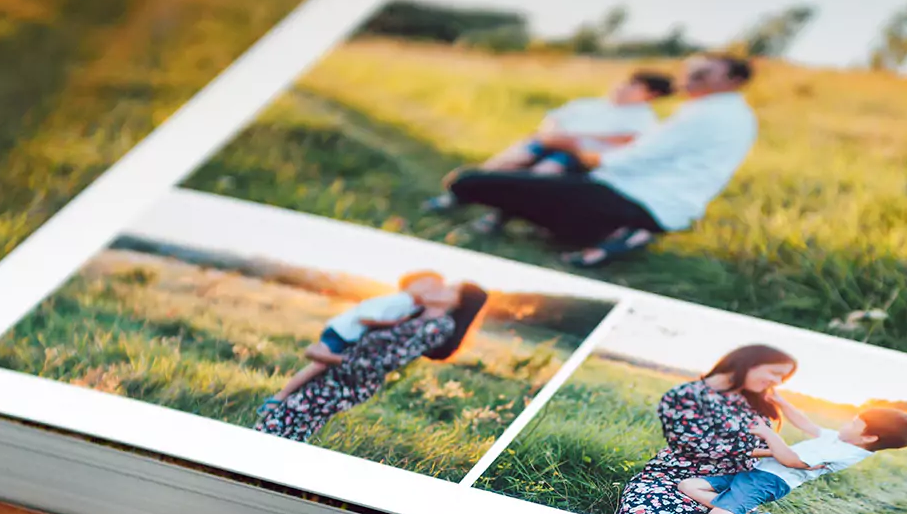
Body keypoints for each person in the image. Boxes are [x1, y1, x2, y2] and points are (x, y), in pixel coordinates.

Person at [443, 54, 757, 265]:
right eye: (690, 70)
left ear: (732, 80)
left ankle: (622, 229)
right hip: (649, 199)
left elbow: (630, 158)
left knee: (470, 181)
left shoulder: (705, 115)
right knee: (553, 217)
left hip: (635, 196)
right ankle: (612, 232)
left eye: (702, 74)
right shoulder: (728, 113)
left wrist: (576, 150)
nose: (689, 77)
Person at [611, 343, 807, 514]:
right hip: (674, 474)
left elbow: (763, 444)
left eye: (781, 379)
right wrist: (776, 452)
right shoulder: (687, 395)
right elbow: (697, 445)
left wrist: (780, 452)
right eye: (775, 373)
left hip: (727, 482)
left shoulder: (758, 402)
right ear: (750, 363)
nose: (776, 382)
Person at [255, 282, 489, 445]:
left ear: (458, 301)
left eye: (450, 289)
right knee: (285, 417)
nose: (441, 288)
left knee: (289, 422)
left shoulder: (439, 327)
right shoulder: (416, 313)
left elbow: (390, 360)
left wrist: (332, 358)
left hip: (351, 381)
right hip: (339, 371)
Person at [679, 406, 907, 514]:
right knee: (688, 485)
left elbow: (791, 461)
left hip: (770, 480)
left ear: (869, 437)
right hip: (755, 472)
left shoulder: (845, 451)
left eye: (855, 423)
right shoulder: (838, 439)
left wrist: (768, 434)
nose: (847, 423)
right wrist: (779, 400)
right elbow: (805, 423)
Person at [425, 72, 673, 214]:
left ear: (650, 95)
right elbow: (552, 122)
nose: (622, 88)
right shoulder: (589, 104)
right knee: (512, 159)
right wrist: (553, 135)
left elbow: (618, 144)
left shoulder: (643, 121)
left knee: (541, 175)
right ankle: (458, 196)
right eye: (624, 82)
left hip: (577, 158)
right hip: (549, 143)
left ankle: (501, 215)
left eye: (633, 87)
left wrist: (572, 140)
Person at [259, 271, 452, 415]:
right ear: (410, 284)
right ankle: (279, 397)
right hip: (342, 333)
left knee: (321, 368)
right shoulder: (401, 300)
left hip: (347, 335)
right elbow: (365, 318)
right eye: (428, 284)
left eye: (436, 287)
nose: (431, 289)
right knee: (318, 364)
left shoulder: (413, 305)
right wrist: (393, 323)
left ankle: (285, 399)